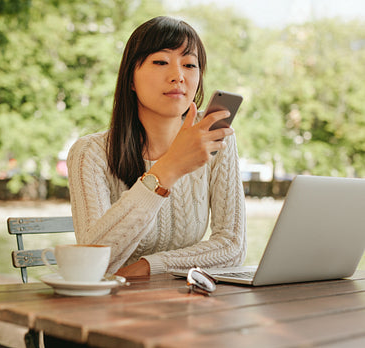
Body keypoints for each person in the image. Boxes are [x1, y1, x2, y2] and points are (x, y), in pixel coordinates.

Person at [67, 16, 246, 278]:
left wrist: (150, 265)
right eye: (161, 62)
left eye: (189, 64)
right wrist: (168, 169)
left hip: (186, 305)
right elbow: (92, 261)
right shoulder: (90, 154)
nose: (178, 76)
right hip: (111, 306)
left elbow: (232, 248)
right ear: (130, 79)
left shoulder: (216, 141)